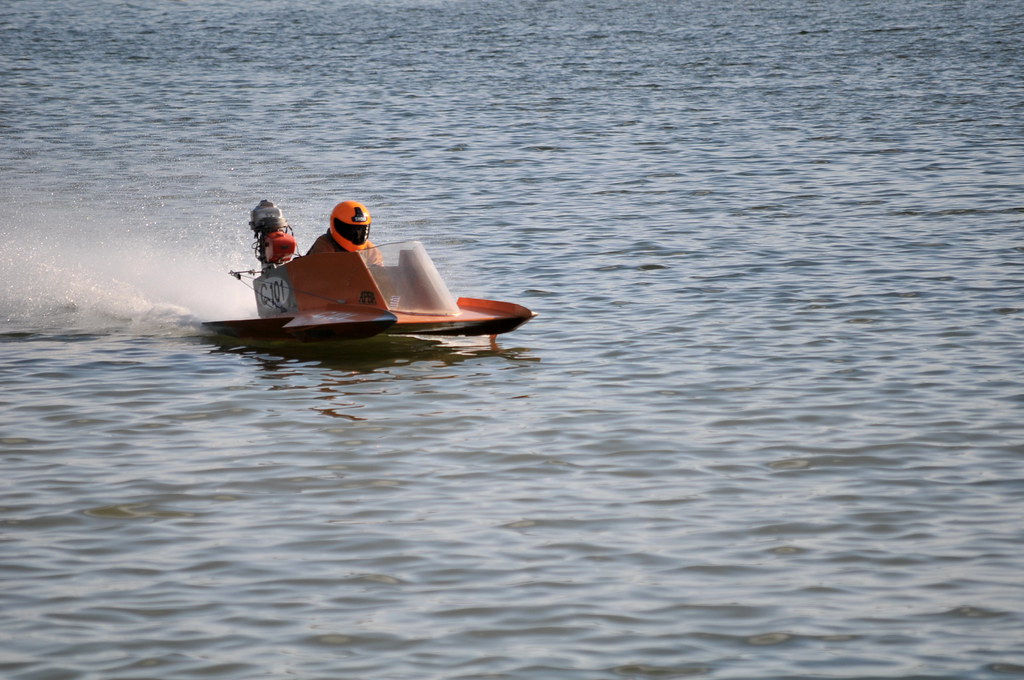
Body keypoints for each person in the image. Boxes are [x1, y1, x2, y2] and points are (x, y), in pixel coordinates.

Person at [306, 200, 378, 255]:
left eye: (360, 230)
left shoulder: (370, 249)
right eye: (351, 230)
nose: (357, 234)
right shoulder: (324, 244)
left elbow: (380, 271)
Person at [249, 199, 296, 265]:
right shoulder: (277, 211)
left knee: (269, 248)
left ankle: (270, 265)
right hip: (274, 233)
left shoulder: (258, 212)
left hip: (268, 234)